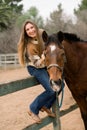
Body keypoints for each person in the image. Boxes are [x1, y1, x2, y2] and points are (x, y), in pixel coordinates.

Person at [18, 20, 56, 124]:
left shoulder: (41, 34)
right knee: (51, 90)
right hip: (35, 68)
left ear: (35, 26)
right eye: (27, 29)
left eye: (31, 27)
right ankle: (33, 108)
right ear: (25, 32)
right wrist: (44, 55)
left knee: (59, 85)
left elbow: (50, 44)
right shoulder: (29, 47)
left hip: (45, 65)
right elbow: (37, 64)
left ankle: (46, 106)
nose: (30, 30)